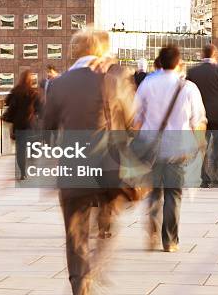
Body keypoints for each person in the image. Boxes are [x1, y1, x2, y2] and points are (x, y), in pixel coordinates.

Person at [43, 29, 135, 295]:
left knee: (76, 233)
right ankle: (99, 257)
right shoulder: (113, 80)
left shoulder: (58, 83)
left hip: (73, 168)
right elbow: (131, 125)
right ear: (100, 51)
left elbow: (47, 129)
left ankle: (80, 284)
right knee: (108, 219)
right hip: (108, 168)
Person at [134, 45, 207, 253]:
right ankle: (170, 240)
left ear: (159, 61)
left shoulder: (147, 83)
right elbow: (198, 121)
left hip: (151, 147)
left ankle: (153, 230)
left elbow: (136, 118)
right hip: (178, 148)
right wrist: (200, 145)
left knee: (154, 192)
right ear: (178, 62)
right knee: (174, 194)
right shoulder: (189, 87)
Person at [186, 44, 218, 187]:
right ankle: (217, 173)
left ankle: (205, 177)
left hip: (200, 116)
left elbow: (188, 94)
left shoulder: (193, 72)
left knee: (201, 147)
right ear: (216, 55)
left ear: (203, 55)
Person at [3, 70, 43, 180]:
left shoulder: (15, 91)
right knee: (33, 146)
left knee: (20, 150)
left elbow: (8, 103)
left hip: (19, 125)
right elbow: (41, 109)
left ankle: (22, 172)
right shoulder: (33, 93)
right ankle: (32, 161)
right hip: (31, 125)